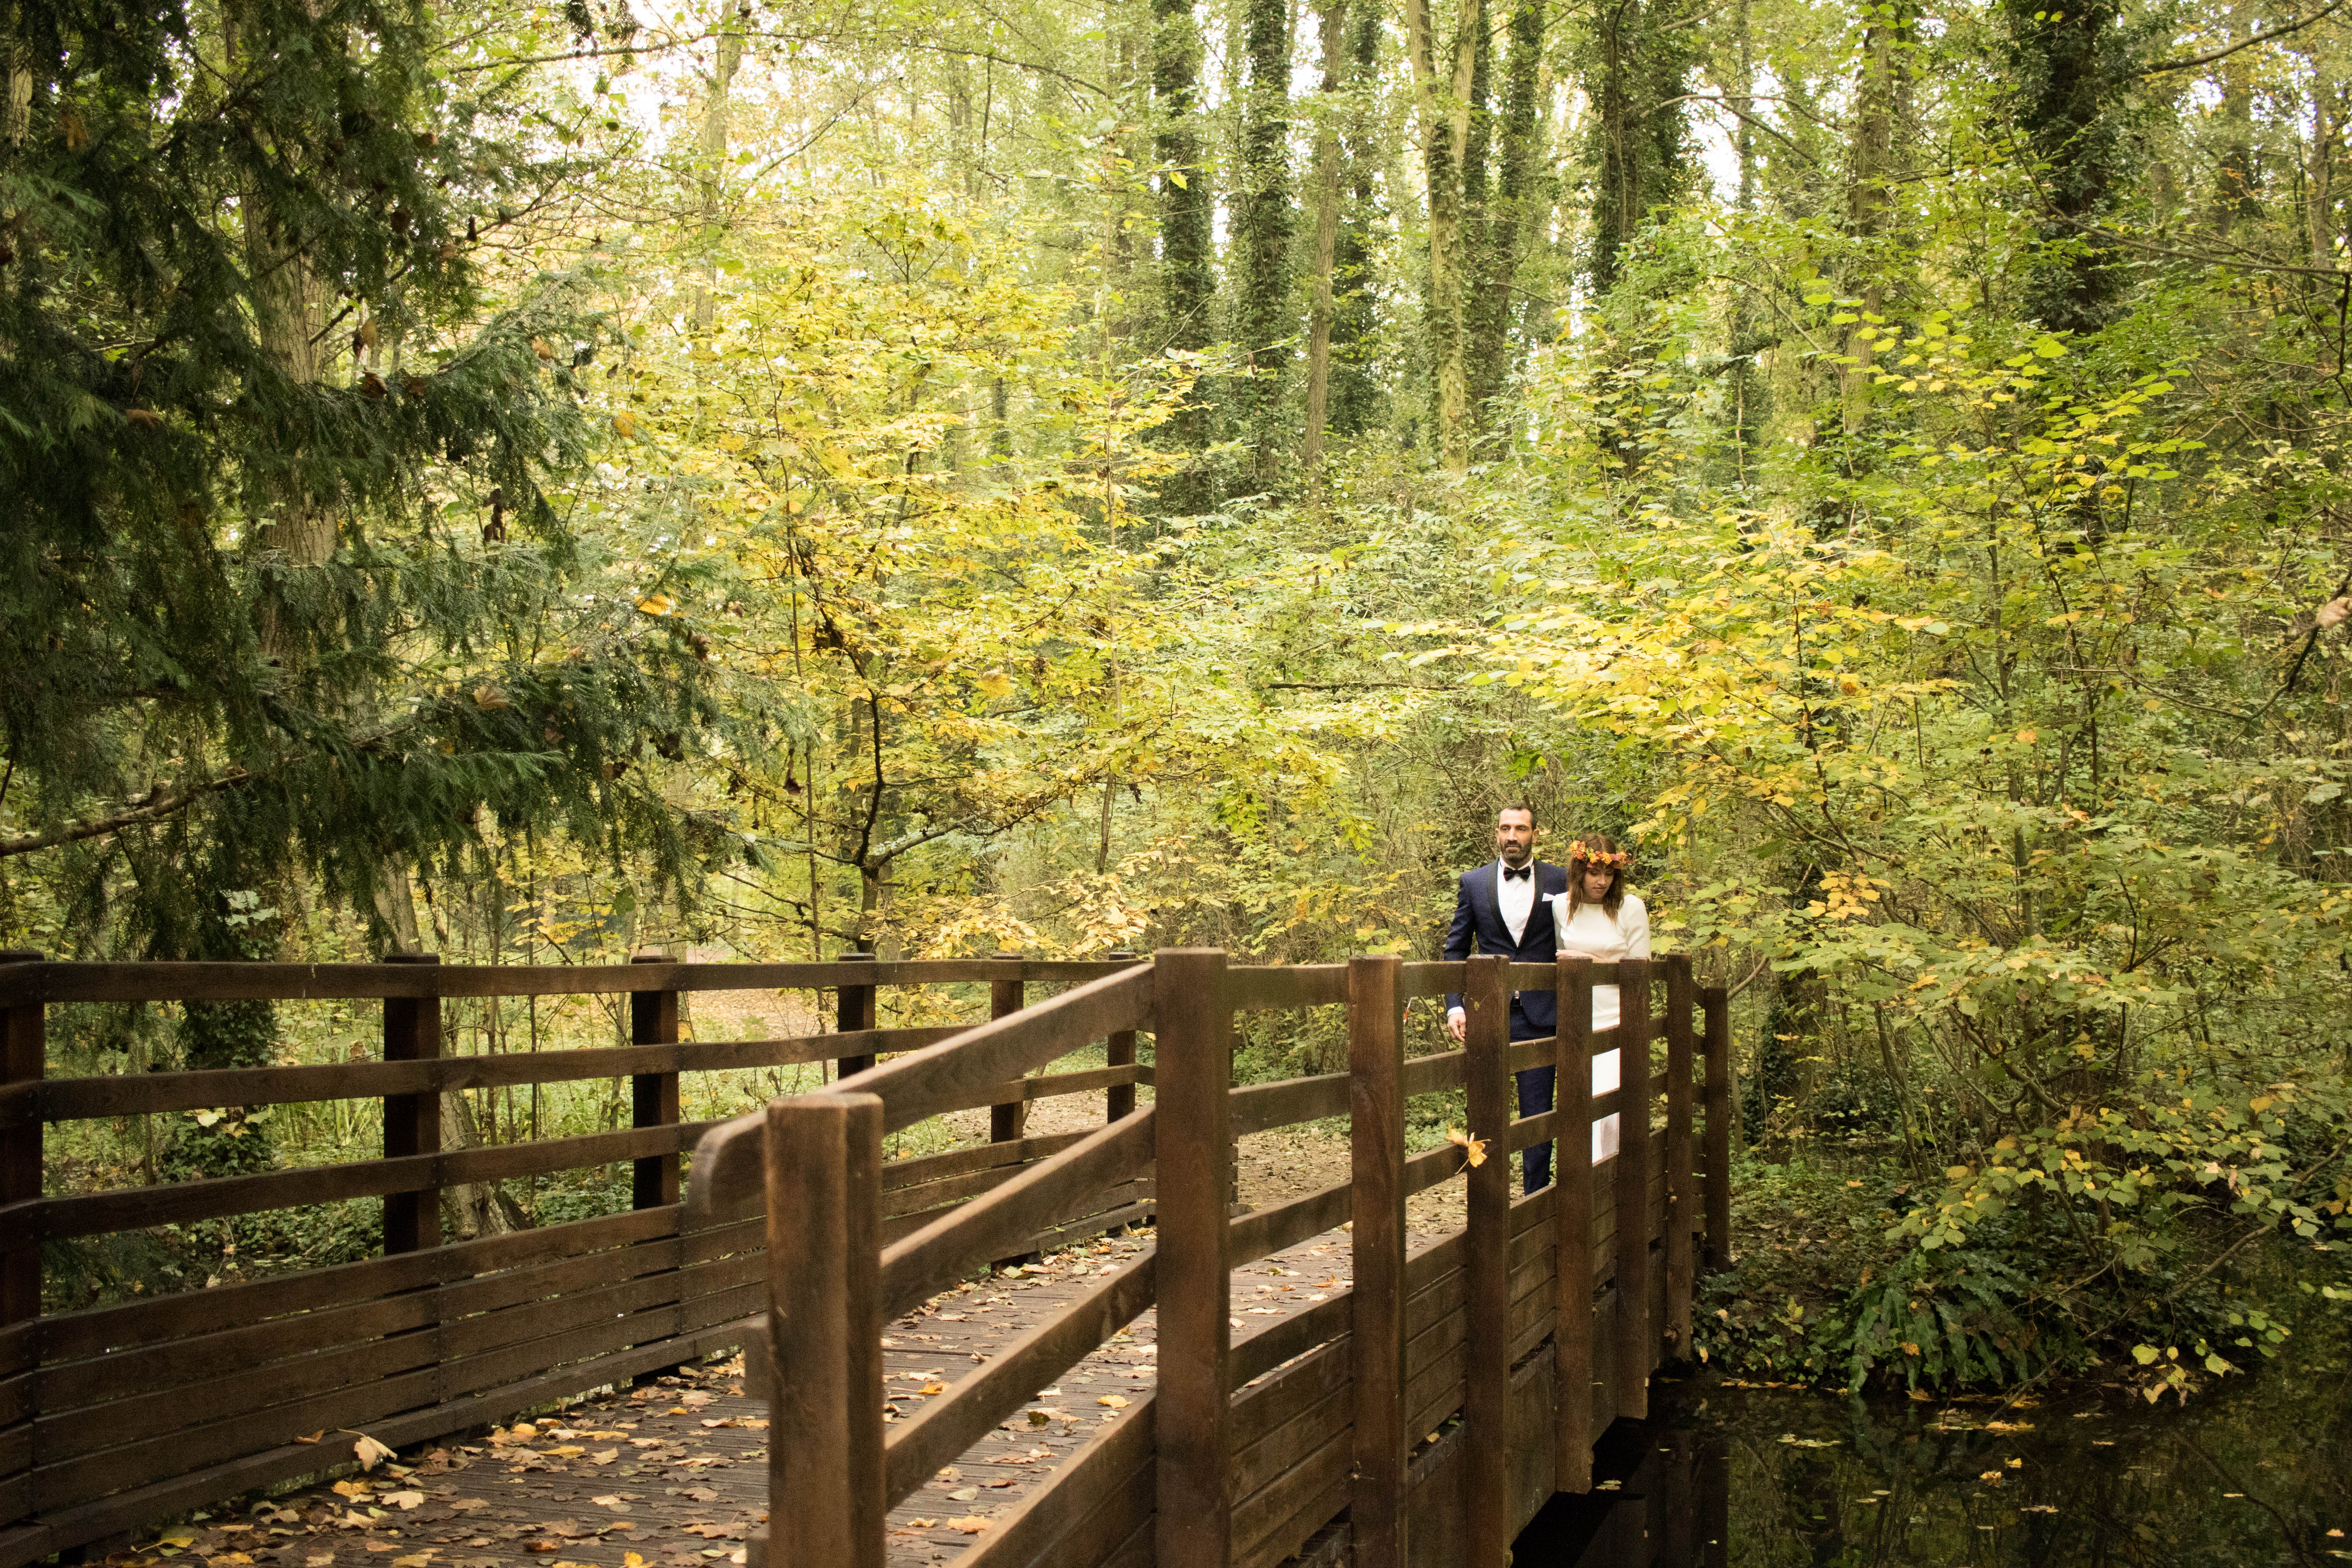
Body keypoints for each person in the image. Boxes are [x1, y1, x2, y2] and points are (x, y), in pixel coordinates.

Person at [1443, 804, 1570, 1193]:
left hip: (1542, 1016)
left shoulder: (1560, 879)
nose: (1512, 836)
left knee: (1538, 1118)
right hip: (1487, 1015)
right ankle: (1487, 1202)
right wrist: (1455, 1005)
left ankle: (1536, 1203)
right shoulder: (1473, 882)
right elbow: (1455, 950)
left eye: (1521, 828)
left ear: (1535, 834)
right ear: (1496, 833)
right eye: (1505, 828)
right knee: (1484, 1115)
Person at [1547, 831, 1650, 1168]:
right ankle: (1588, 1184)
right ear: (1579, 871)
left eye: (1608, 874)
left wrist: (1588, 962)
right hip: (1578, 1022)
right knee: (1582, 1110)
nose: (1602, 881)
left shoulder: (1630, 908)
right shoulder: (1561, 906)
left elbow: (1640, 972)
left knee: (1611, 1112)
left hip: (1620, 1020)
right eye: (1594, 873)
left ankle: (1616, 1180)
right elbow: (1559, 961)